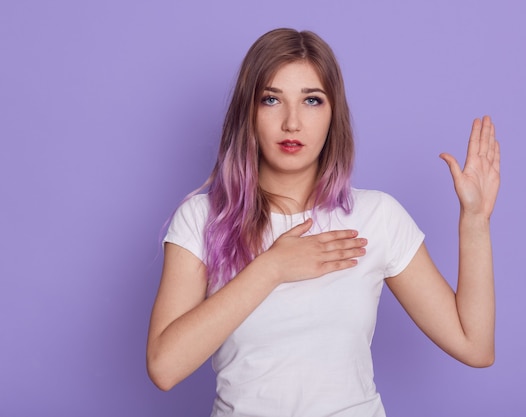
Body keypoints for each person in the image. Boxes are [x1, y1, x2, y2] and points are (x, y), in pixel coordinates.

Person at [146, 28, 500, 416]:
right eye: (271, 100)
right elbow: (165, 368)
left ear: (334, 115)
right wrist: (273, 267)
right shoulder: (203, 219)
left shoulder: (377, 217)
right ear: (248, 112)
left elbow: (475, 346)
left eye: (312, 100)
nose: (292, 122)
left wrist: (475, 221)